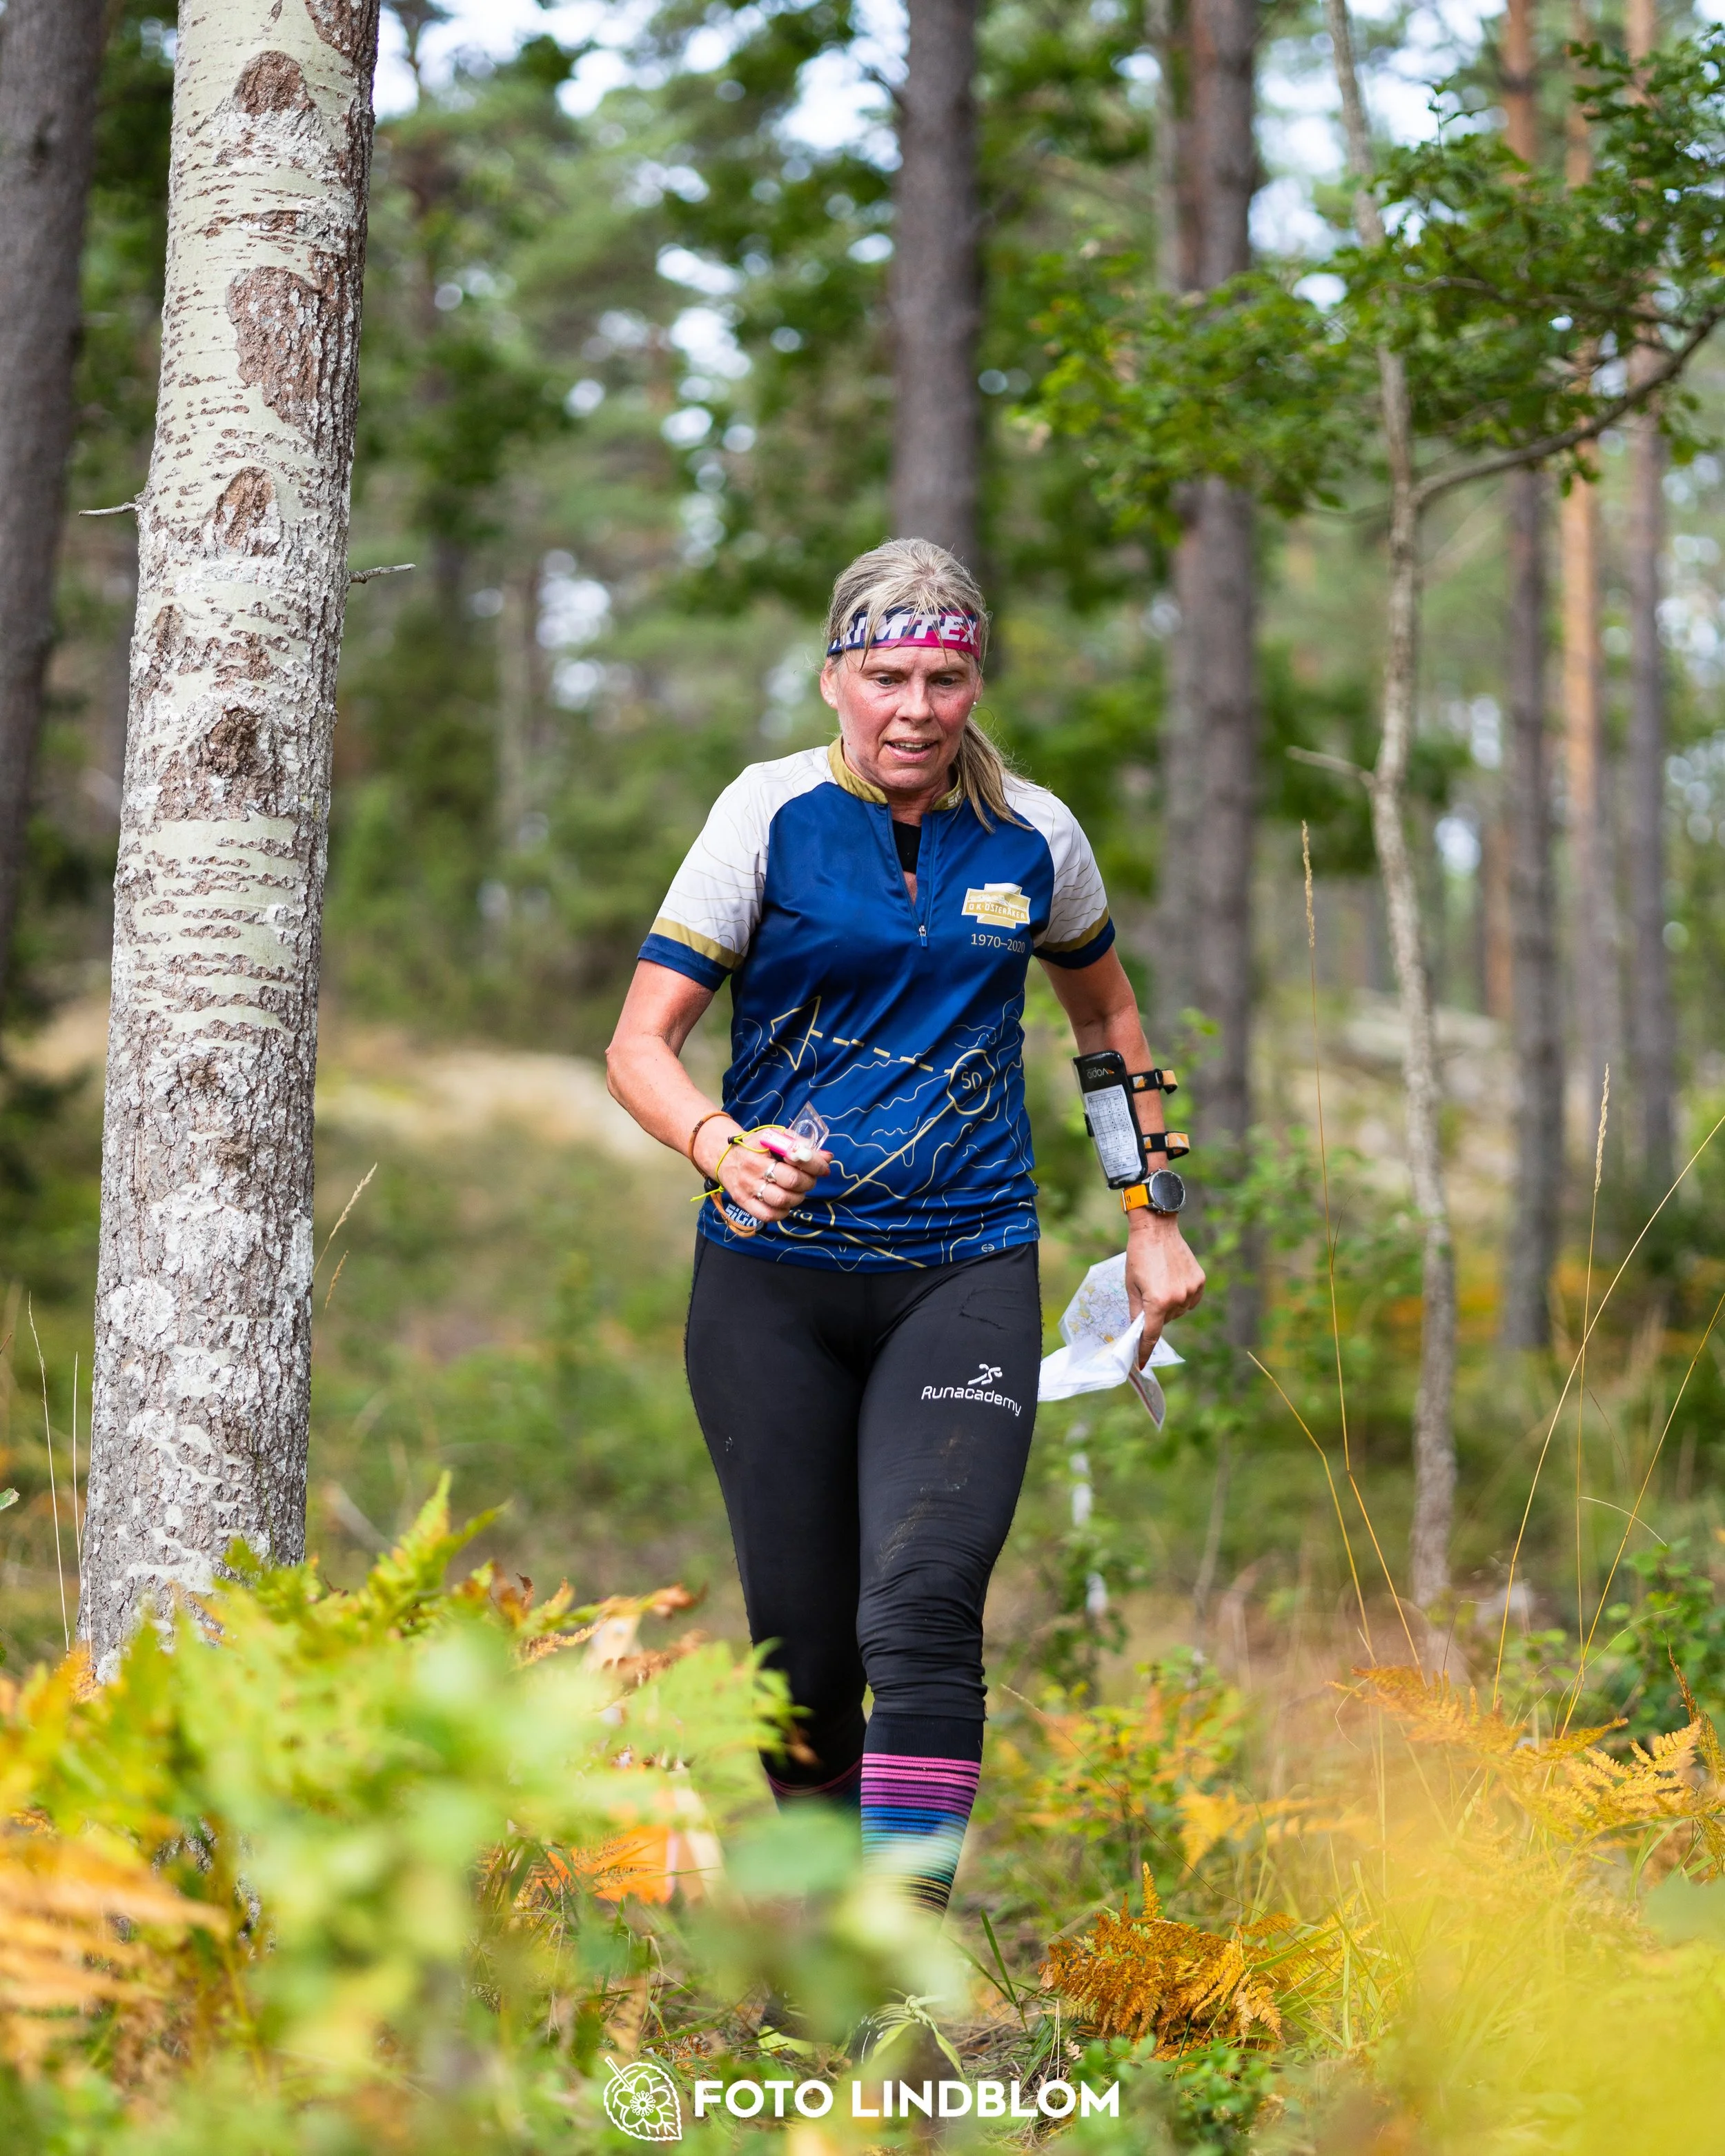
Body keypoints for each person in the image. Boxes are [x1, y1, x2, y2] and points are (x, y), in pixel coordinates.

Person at [606, 538, 1205, 1915]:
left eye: (942, 677)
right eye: (884, 676)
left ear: (973, 678)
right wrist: (713, 1141)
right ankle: (825, 1931)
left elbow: (1105, 1017)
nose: (915, 708)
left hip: (965, 1262)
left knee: (923, 1605)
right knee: (805, 1659)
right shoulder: (762, 816)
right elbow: (642, 1039)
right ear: (833, 679)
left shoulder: (1032, 836)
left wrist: (1149, 1216)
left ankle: (901, 1970)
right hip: (772, 1287)